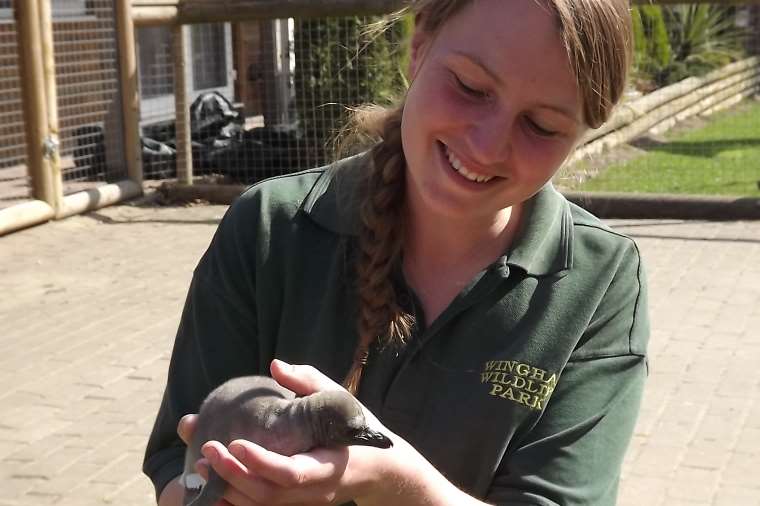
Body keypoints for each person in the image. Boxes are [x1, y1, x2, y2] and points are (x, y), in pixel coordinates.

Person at [143, 0, 649, 504]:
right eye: (471, 88)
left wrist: (393, 481)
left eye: (540, 126)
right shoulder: (270, 227)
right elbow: (180, 465)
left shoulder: (599, 280)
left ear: (580, 134)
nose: (489, 146)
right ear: (419, 44)